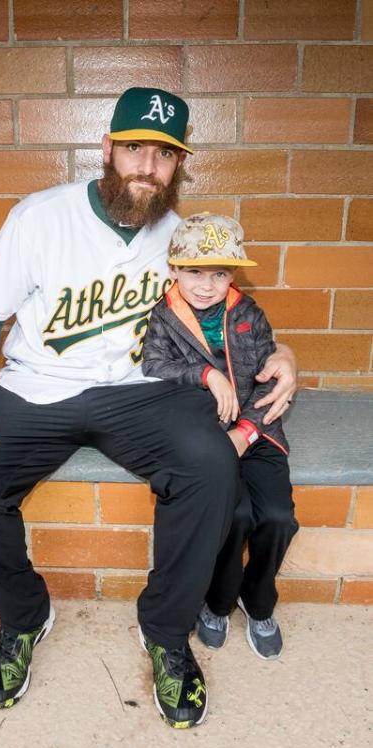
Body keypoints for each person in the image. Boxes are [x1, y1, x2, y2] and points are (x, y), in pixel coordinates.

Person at [0, 87, 297, 729]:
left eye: (163, 154)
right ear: (107, 149)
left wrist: (284, 351)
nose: (145, 166)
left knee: (211, 465)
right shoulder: (40, 216)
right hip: (38, 385)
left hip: (146, 392)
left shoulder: (185, 237)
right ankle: (23, 616)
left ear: (178, 164)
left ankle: (167, 633)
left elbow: (233, 311)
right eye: (133, 148)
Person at [142, 213, 299, 662]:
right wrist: (207, 374)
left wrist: (247, 432)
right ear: (173, 269)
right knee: (233, 516)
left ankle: (259, 600)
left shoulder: (248, 314)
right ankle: (218, 601)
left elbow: (272, 379)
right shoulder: (164, 316)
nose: (207, 285)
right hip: (204, 436)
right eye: (194, 271)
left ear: (233, 274)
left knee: (276, 517)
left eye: (220, 273)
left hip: (257, 432)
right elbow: (154, 367)